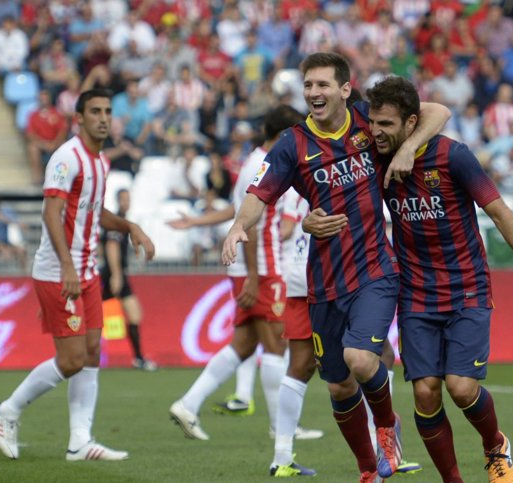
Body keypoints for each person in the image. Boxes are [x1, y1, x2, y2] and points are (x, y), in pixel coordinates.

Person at [303, 76, 513, 483]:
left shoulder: (453, 156)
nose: (376, 132)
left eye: (387, 124)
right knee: (424, 392)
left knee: (460, 388)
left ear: (410, 122)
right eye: (374, 123)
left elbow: (499, 211)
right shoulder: (374, 158)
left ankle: (495, 444)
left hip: (467, 288)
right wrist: (309, 218)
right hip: (416, 293)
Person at [221, 52, 451, 482]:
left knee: (361, 360)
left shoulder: (368, 119)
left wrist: (408, 150)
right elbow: (259, 193)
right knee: (339, 386)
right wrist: (238, 227)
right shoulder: (292, 144)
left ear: (346, 89)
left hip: (375, 270)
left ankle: (387, 428)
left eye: (323, 85)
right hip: (324, 280)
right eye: (309, 86)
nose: (314, 93)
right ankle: (369, 470)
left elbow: (437, 111)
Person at [0, 88, 155, 461]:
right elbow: (51, 213)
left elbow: (94, 215)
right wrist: (66, 266)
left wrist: (129, 226)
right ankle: (7, 411)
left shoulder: (100, 162)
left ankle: (80, 441)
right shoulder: (67, 157)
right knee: (71, 360)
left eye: (108, 111)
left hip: (87, 271)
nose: (103, 118)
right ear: (78, 118)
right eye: (94, 111)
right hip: (58, 271)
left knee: (93, 351)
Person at [168, 105, 305, 446]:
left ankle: (188, 404)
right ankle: (282, 430)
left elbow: (236, 211)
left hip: (252, 267)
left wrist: (196, 221)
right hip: (261, 266)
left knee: (244, 345)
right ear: (285, 134)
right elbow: (251, 225)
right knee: (276, 345)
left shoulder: (254, 163)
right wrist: (256, 279)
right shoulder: (263, 165)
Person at [100, 189, 157, 371]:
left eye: (128, 199)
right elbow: (111, 246)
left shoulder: (123, 221)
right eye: (123, 199)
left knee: (134, 314)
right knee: (91, 315)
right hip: (111, 273)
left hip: (116, 272)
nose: (126, 202)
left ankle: (138, 358)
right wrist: (116, 274)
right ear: (118, 200)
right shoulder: (117, 222)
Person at [0, 195, 28, 270]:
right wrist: (2, 248)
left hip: (9, 243)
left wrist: (1, 218)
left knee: (21, 251)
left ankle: (24, 274)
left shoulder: (6, 212)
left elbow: (16, 223)